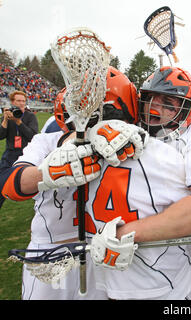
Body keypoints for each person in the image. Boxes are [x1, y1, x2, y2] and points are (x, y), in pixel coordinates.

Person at [31, 66, 191, 300]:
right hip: (121, 269)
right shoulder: (127, 128)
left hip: (180, 256)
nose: (155, 107)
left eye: (169, 102)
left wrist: (126, 233)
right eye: (149, 99)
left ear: (190, 109)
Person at [0, 67, 142, 299]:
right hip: (50, 252)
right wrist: (47, 173)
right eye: (84, 105)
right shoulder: (48, 141)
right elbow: (10, 185)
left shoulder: (133, 145)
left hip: (104, 252)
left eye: (100, 108)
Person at [0, 90, 38, 208]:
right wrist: (5, 120)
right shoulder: (7, 116)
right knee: (1, 181)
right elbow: (1, 136)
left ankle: (39, 206)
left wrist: (18, 122)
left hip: (27, 153)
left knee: (35, 182)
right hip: (11, 153)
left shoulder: (30, 116)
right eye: (18, 101)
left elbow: (32, 135)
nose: (21, 103)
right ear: (12, 102)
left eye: (23, 101)